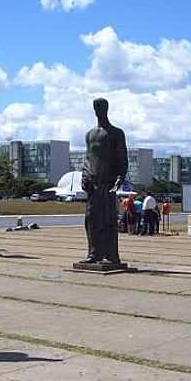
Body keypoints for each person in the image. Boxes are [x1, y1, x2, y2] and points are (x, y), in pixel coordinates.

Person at [79, 98, 128, 264]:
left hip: (108, 183)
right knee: (91, 219)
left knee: (108, 219)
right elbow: (88, 158)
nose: (99, 110)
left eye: (101, 107)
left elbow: (122, 157)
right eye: (96, 107)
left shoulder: (116, 133)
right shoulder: (90, 134)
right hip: (92, 184)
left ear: (107, 109)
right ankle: (94, 253)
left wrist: (120, 177)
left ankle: (111, 254)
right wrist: (84, 175)